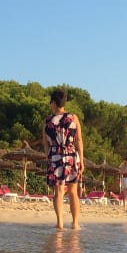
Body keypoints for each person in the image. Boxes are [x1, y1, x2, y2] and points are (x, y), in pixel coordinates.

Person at [43, 88, 85, 230]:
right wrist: (82, 160)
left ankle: (60, 223)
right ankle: (75, 223)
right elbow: (79, 140)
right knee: (73, 191)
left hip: (55, 154)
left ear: (53, 103)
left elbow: (45, 143)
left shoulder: (48, 120)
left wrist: (49, 158)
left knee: (58, 192)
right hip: (71, 154)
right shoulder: (73, 118)